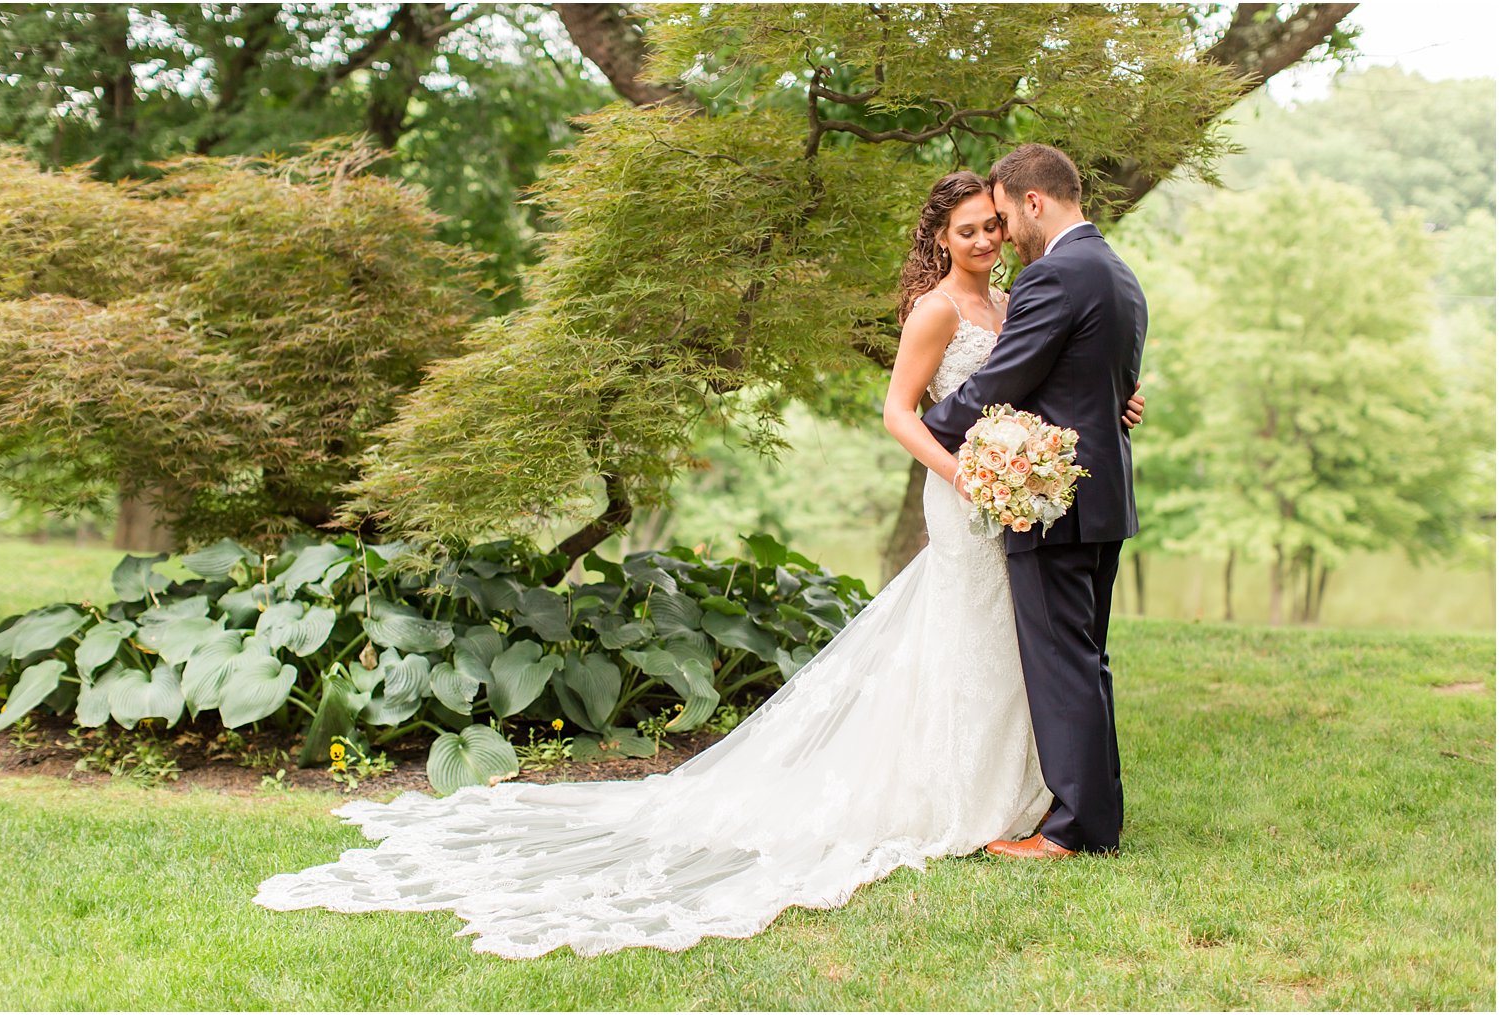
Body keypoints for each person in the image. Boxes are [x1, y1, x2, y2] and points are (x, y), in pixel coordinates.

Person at [252, 164, 1145, 959]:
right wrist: (965, 472)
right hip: (967, 497)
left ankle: (1021, 793)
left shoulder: (1022, 295)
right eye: (969, 230)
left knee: (1012, 647)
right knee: (968, 637)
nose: (987, 239)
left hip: (1014, 499)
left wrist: (1089, 421)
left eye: (993, 225)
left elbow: (1045, 381)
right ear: (939, 238)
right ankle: (963, 794)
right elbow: (903, 410)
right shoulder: (937, 309)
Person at [921, 144, 1147, 857]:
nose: (1005, 235)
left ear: (1035, 201)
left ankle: (1076, 830)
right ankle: (1098, 816)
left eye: (1006, 217)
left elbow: (1002, 381)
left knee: (1063, 660)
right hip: (1103, 498)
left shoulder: (1053, 276)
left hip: (1054, 502)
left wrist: (935, 425)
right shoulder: (1119, 273)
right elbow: (1097, 384)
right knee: (1088, 658)